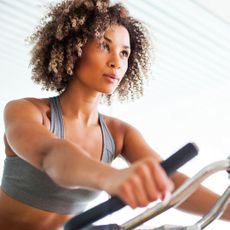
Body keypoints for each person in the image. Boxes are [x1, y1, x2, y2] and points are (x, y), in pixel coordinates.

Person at [0, 0, 229, 229]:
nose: (117, 62)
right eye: (104, 46)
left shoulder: (119, 134)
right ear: (76, 47)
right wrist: (111, 177)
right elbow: (52, 156)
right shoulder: (26, 111)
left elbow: (168, 179)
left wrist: (226, 209)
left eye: (124, 53)